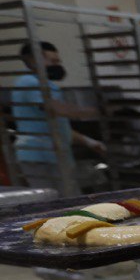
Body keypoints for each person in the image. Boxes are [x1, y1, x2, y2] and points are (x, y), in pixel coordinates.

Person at [10, 41, 103, 190]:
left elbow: (58, 124)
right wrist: (99, 110)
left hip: (55, 155)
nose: (57, 65)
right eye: (53, 61)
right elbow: (58, 110)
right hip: (39, 157)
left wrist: (89, 141)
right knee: (52, 203)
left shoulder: (47, 85)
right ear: (33, 61)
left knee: (68, 200)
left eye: (58, 61)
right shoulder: (29, 82)